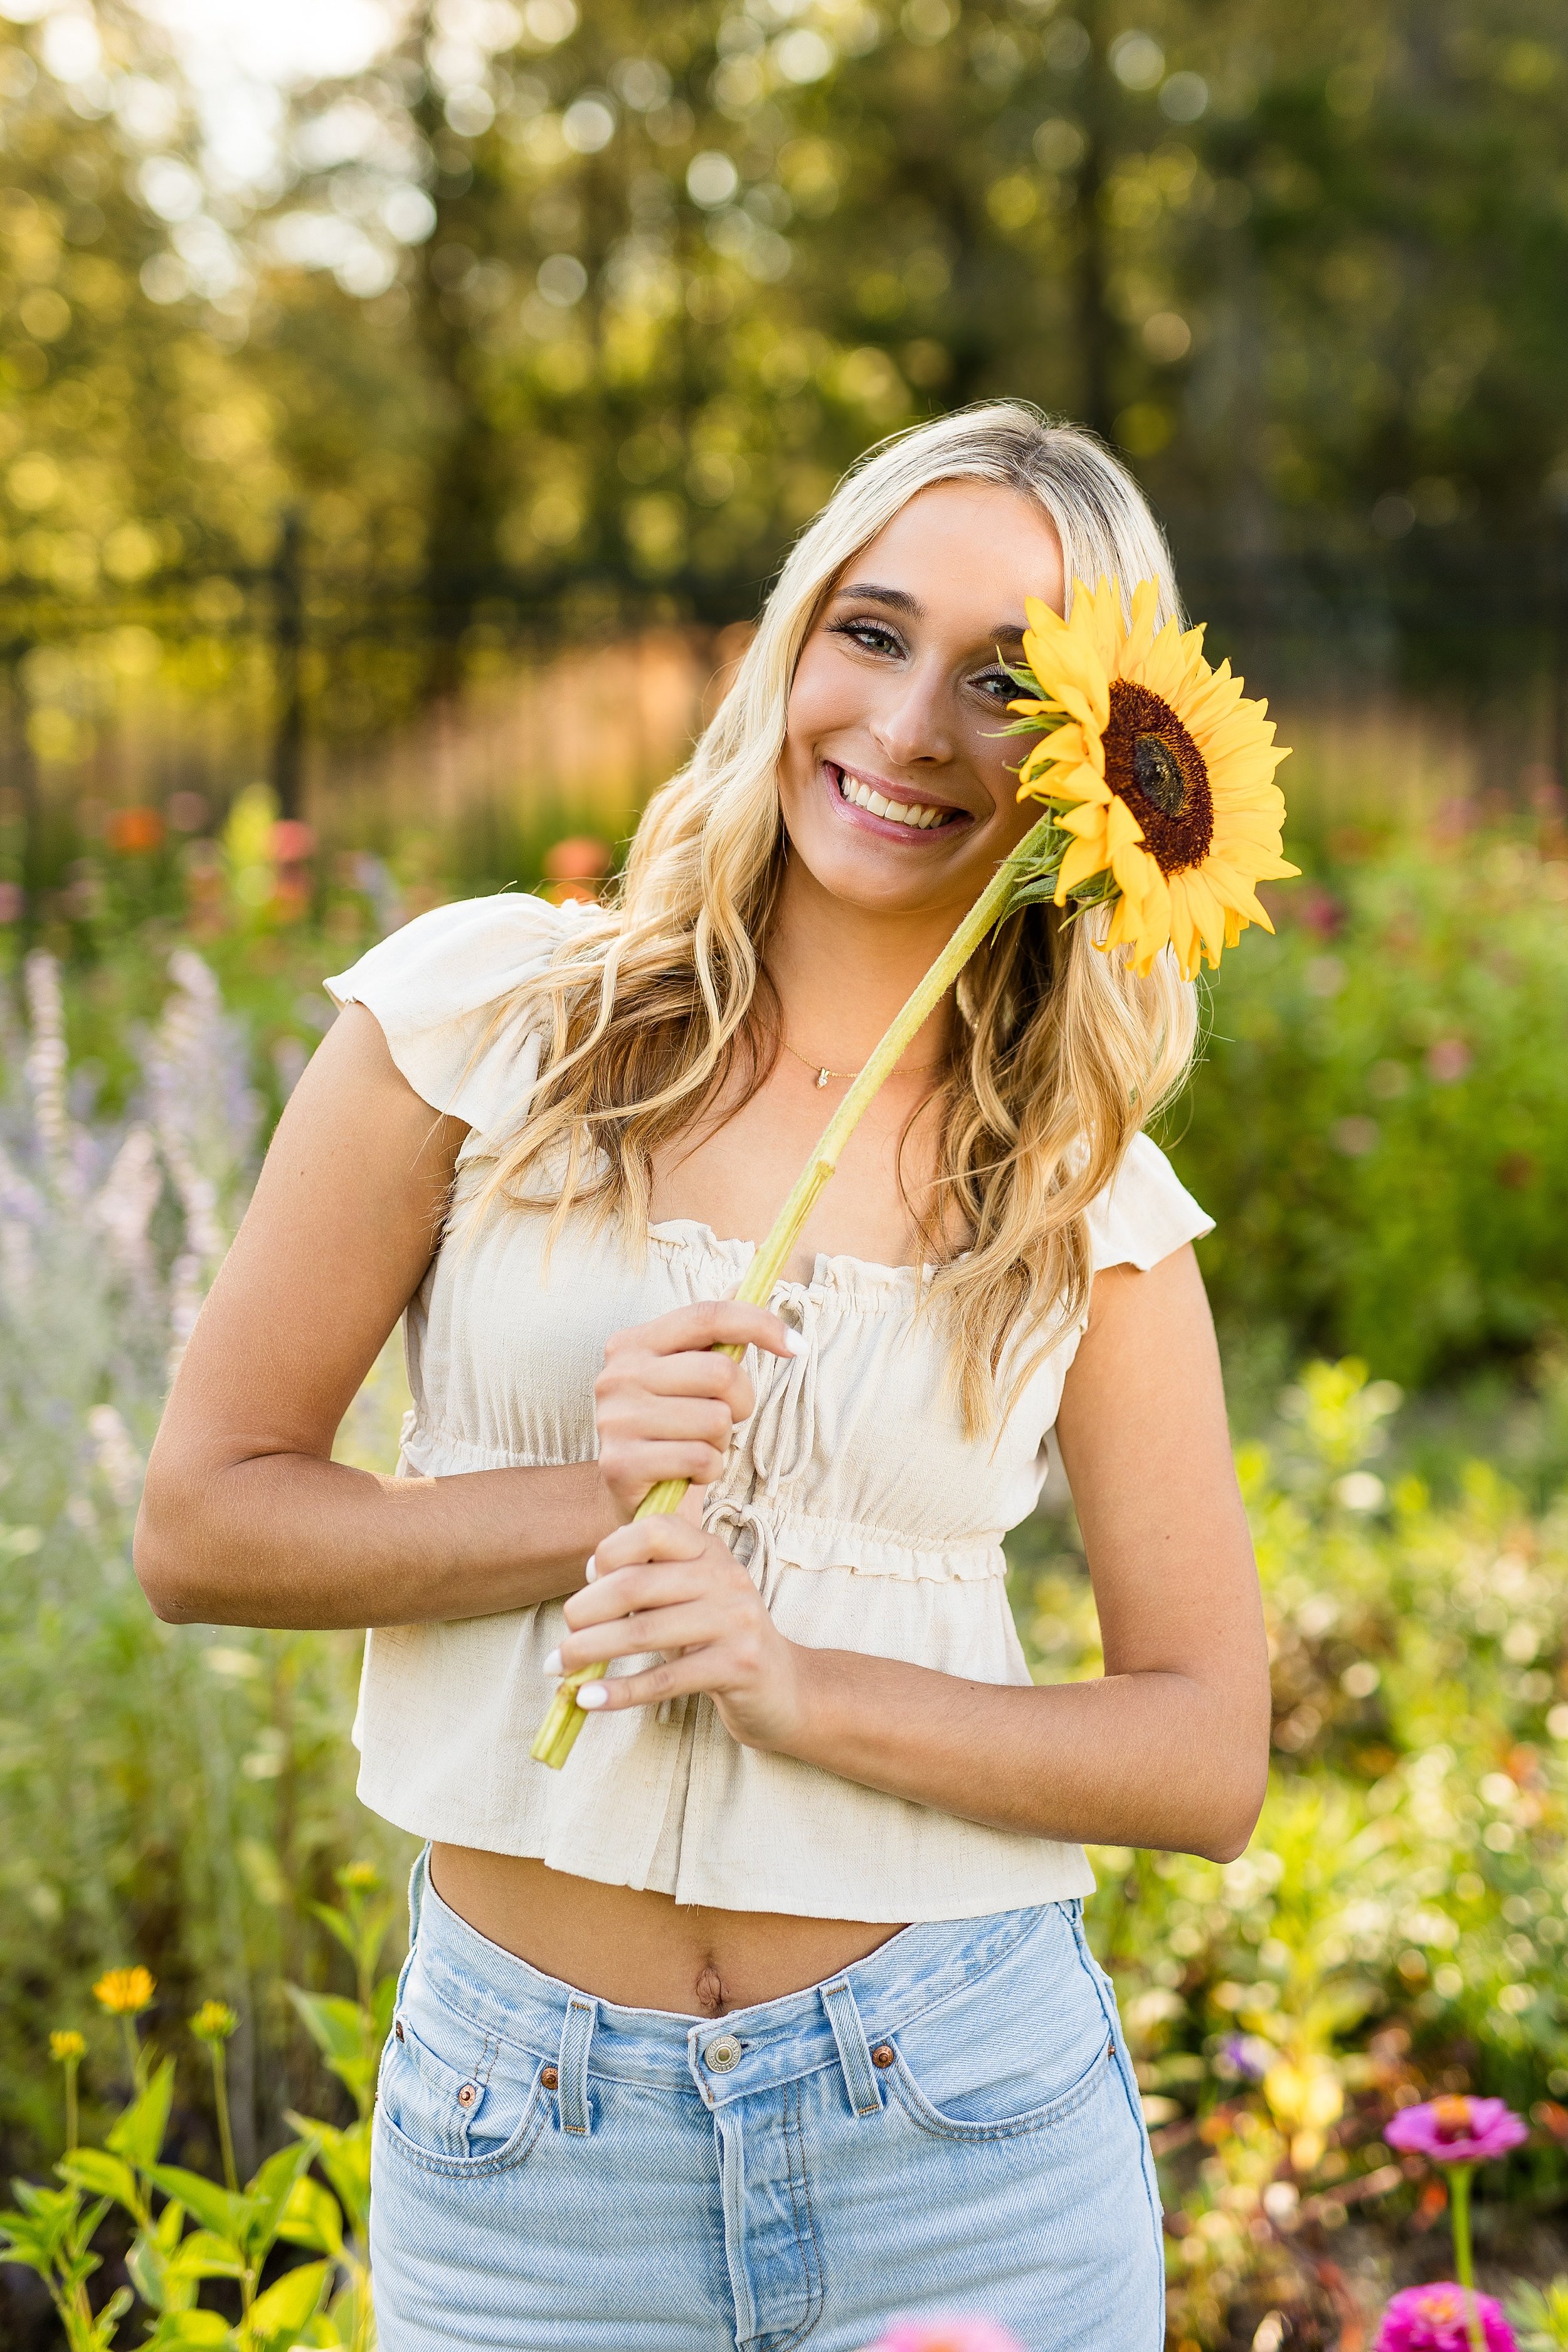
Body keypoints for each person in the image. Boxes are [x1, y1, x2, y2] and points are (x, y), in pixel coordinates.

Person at [135, 402, 1270, 2351]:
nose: (910, 730)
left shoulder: (1079, 1189)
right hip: (527, 2146)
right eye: (870, 630)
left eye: (1006, 680)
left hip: (964, 2121)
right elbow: (202, 1525)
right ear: (787, 641)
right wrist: (579, 1505)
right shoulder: (482, 1022)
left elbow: (1200, 1751)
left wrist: (798, 1685)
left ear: (1091, 763)